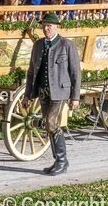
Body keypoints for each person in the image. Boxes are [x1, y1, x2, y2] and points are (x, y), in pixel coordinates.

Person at [22, 13, 81, 176]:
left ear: (56, 27)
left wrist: (75, 97)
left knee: (50, 122)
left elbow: (76, 72)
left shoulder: (66, 45)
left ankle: (62, 160)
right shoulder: (38, 45)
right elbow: (31, 71)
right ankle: (59, 161)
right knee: (50, 126)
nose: (46, 28)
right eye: (44, 25)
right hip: (43, 91)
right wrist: (27, 95)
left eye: (49, 25)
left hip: (60, 91)